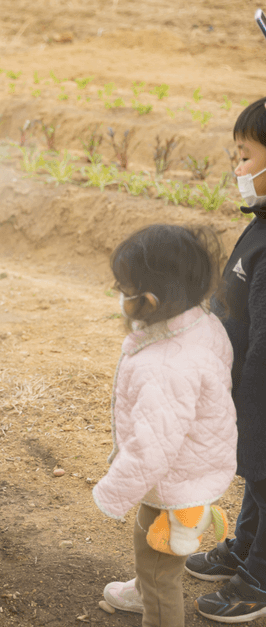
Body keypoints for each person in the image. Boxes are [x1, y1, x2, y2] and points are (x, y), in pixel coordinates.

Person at [92, 225, 237, 627]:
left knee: (160, 573)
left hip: (175, 483)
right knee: (150, 542)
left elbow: (150, 450)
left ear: (150, 301)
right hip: (191, 469)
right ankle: (142, 590)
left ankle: (153, 606)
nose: (119, 294)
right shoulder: (200, 322)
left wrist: (111, 493)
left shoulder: (165, 366)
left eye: (124, 288)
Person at [185, 97, 266, 623]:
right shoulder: (260, 224)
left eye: (245, 156)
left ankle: (259, 579)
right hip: (248, 390)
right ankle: (246, 548)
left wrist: (250, 412)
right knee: (258, 482)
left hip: (262, 393)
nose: (237, 169)